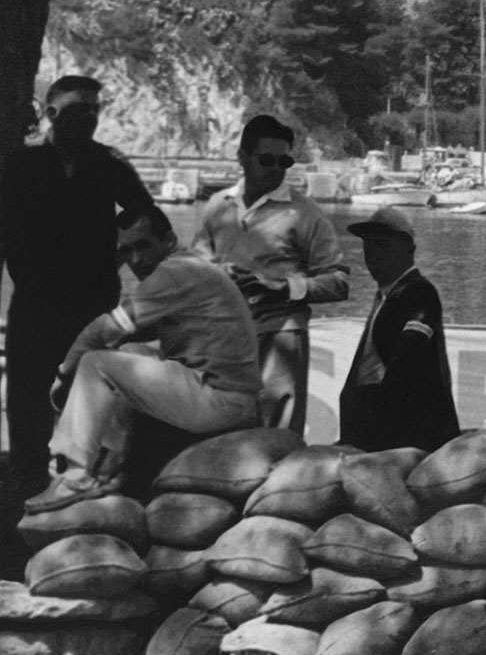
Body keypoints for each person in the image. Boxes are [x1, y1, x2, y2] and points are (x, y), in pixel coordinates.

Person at [26, 206, 260, 510]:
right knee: (126, 354)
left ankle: (76, 477)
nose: (136, 259)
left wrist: (63, 375)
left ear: (169, 240)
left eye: (143, 246)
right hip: (226, 394)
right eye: (126, 250)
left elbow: (102, 330)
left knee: (96, 362)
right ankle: (111, 466)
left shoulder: (175, 273)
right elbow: (128, 334)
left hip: (222, 399)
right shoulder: (190, 266)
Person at [0, 76, 161, 503]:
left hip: (93, 299)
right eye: (76, 109)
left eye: (94, 109)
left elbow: (148, 217)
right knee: (27, 393)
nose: (88, 118)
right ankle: (26, 480)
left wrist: (122, 254)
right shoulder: (19, 165)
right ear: (51, 113)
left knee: (85, 390)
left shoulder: (110, 164)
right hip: (33, 298)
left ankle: (77, 479)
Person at [194, 114, 349, 434]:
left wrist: (281, 287)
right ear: (242, 158)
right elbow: (195, 268)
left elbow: (339, 281)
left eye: (284, 160)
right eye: (267, 159)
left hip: (281, 335)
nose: (277, 167)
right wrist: (217, 273)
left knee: (276, 439)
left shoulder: (305, 213)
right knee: (220, 436)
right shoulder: (217, 205)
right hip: (226, 337)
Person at [337, 205, 459, 453]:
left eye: (382, 245)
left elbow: (406, 361)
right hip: (378, 431)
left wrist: (375, 420)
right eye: (367, 246)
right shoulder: (386, 295)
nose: (372, 254)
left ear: (408, 248)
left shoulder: (419, 293)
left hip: (406, 436)